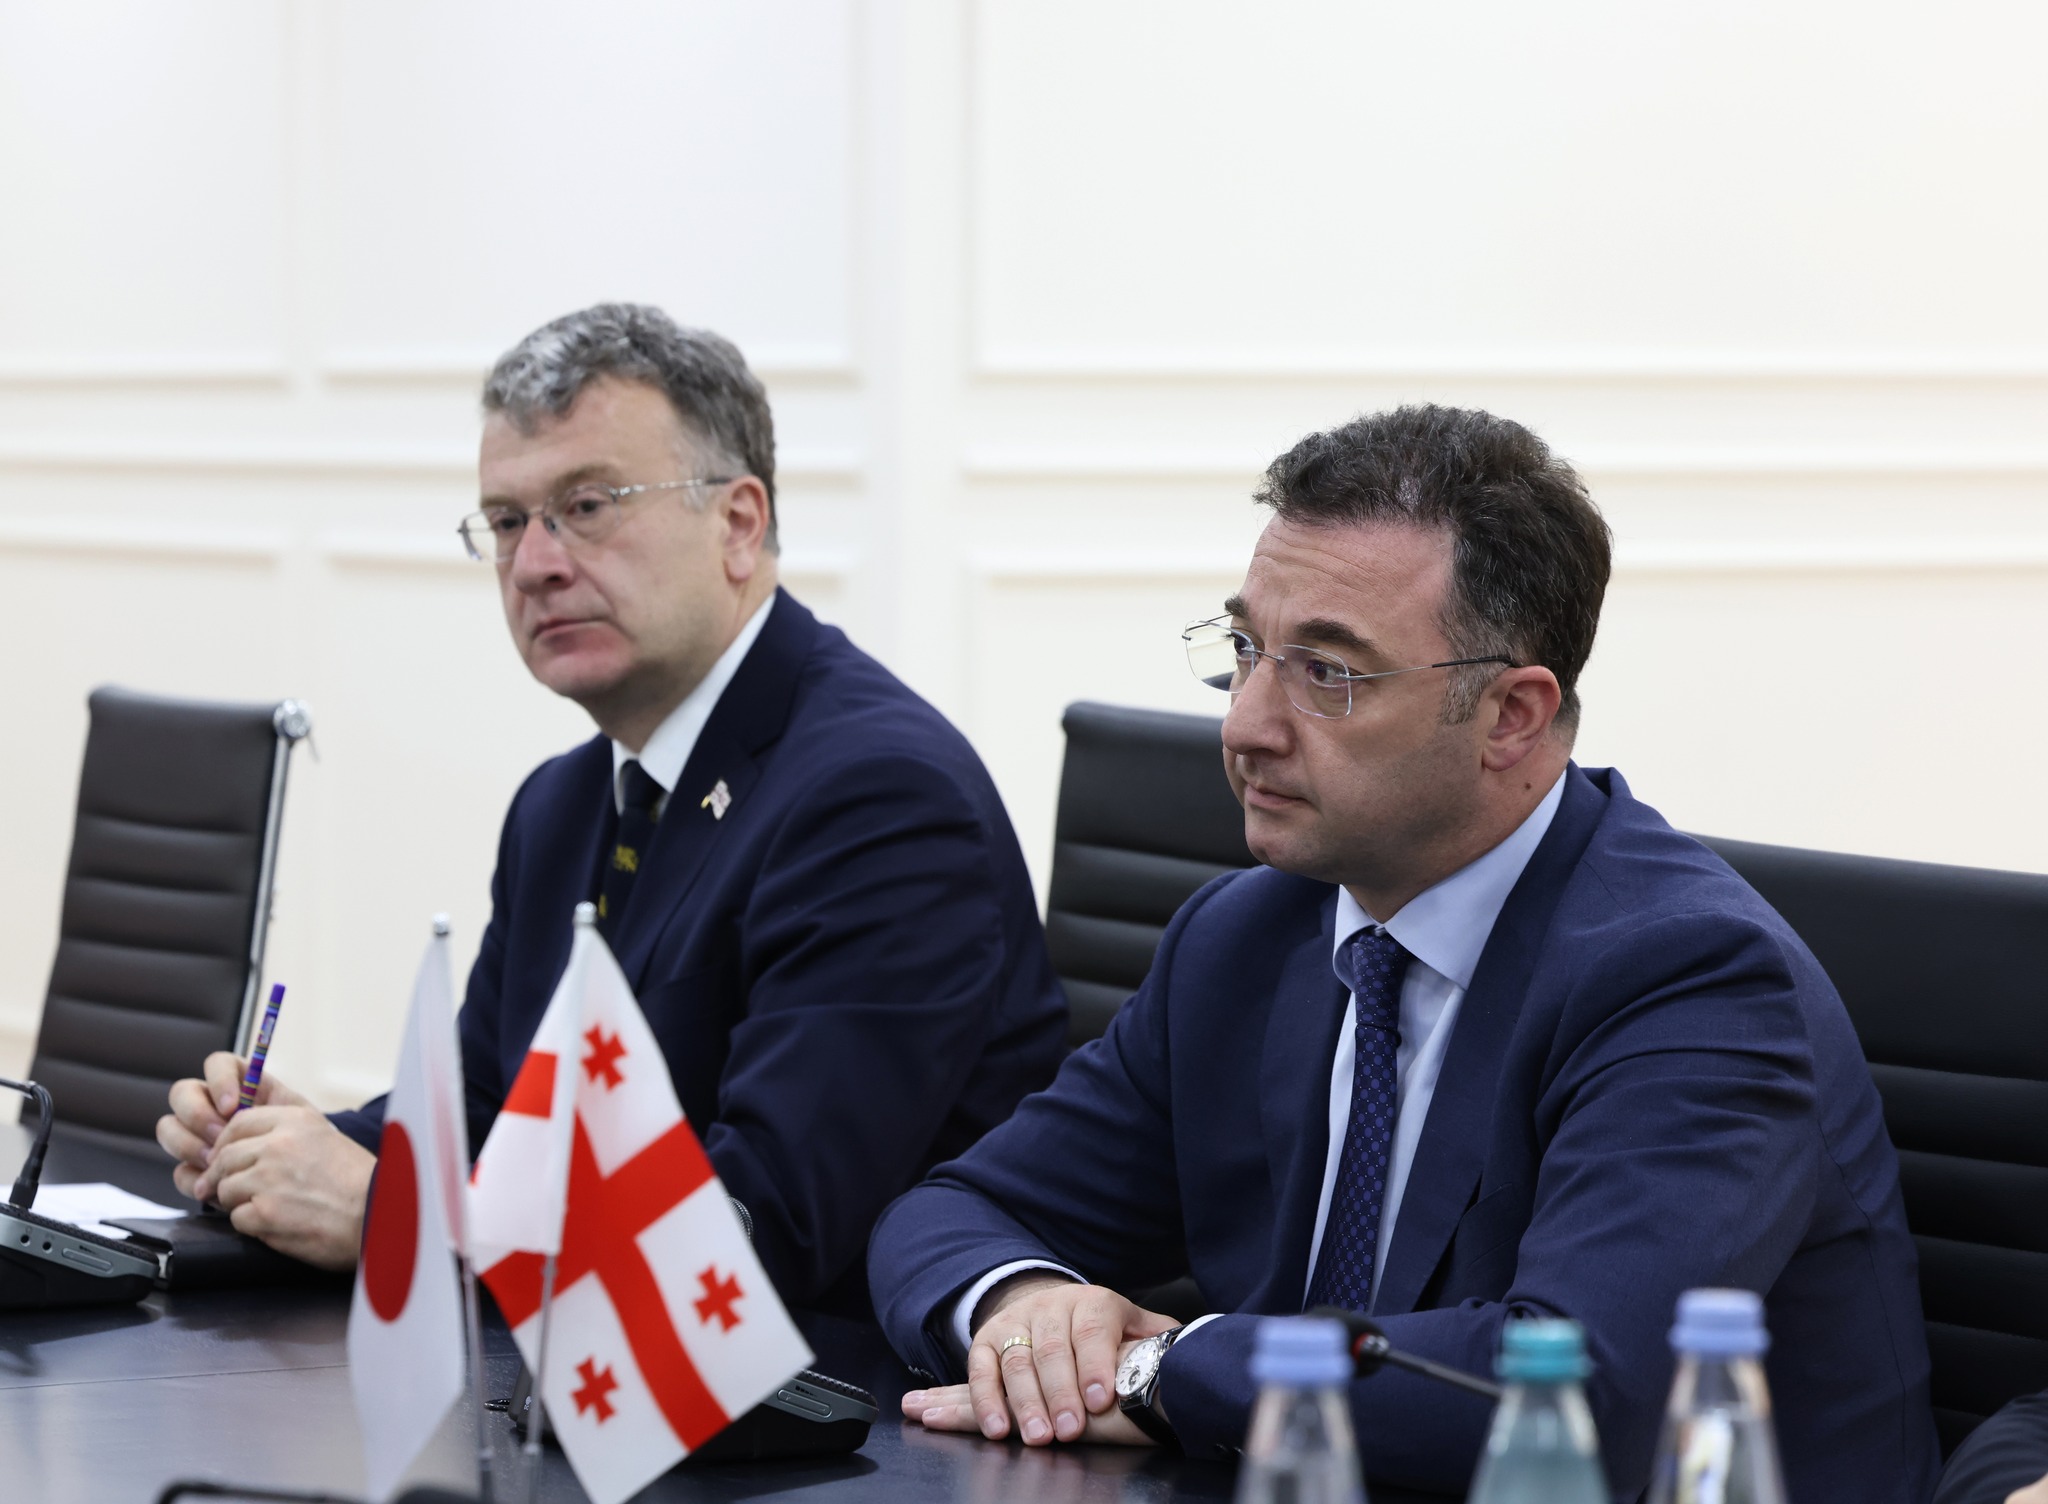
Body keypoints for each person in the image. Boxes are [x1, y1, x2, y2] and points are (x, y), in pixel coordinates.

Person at [870, 405, 1940, 1498]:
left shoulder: (1690, 978)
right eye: (1245, 652)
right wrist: (1026, 1311)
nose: (1244, 725)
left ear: (1510, 716)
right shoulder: (1242, 937)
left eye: (1327, 673)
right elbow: (947, 1214)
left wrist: (1162, 1370)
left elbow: (1571, 1393)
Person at [157, 302, 1068, 1315]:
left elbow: (761, 1229)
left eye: (587, 505)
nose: (535, 563)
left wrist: (392, 1209)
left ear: (738, 524)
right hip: (569, 1371)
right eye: (508, 521)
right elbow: (486, 1110)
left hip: (820, 1393)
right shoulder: (563, 802)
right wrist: (289, 1152)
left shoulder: (880, 799)